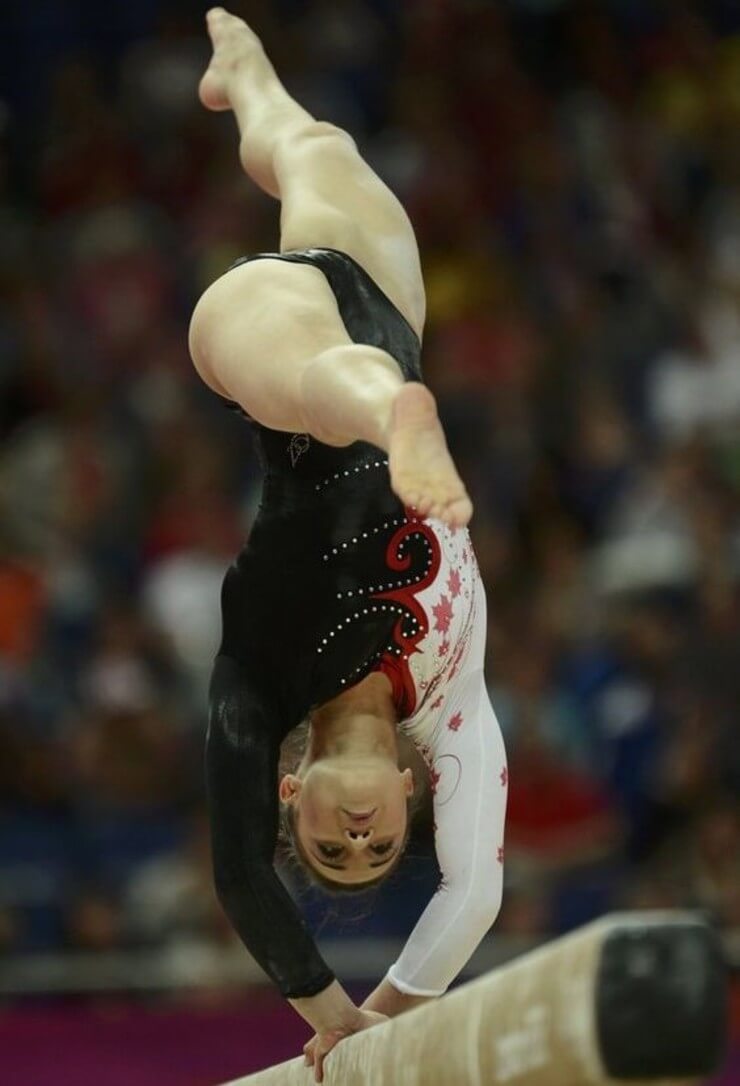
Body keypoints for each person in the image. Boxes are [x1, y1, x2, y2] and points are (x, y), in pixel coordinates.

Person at [188, 9, 508, 1081]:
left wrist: (332, 1018)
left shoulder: (255, 686)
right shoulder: (454, 705)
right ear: (416, 795)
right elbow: (474, 892)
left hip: (271, 342)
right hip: (384, 311)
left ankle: (394, 416)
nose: (360, 835)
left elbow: (240, 875)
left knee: (325, 395)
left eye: (332, 846)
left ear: (294, 793)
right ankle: (248, 81)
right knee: (315, 146)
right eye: (379, 848)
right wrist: (391, 1019)